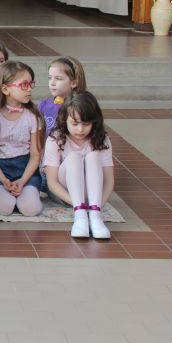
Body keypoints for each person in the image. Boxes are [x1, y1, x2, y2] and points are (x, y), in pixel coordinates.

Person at [44, 91, 114, 239]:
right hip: (66, 194)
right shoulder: (55, 138)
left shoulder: (102, 139)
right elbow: (52, 182)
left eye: (86, 123)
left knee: (94, 156)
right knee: (74, 157)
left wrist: (97, 206)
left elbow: (109, 180)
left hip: (92, 196)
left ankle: (95, 218)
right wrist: (79, 205)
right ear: (65, 120)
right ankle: (80, 217)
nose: (80, 129)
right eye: (75, 124)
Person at [0, 61, 45, 217]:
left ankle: (24, 195)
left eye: (31, 84)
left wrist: (22, 181)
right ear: (5, 89)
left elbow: (35, 155)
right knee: (5, 208)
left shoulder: (33, 116)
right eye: (24, 85)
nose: (29, 89)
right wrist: (3, 180)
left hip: (26, 170)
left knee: (31, 209)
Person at [39, 56, 87, 138]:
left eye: (58, 78)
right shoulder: (44, 104)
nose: (52, 83)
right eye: (50, 78)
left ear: (73, 83)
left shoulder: (81, 107)